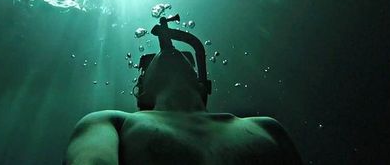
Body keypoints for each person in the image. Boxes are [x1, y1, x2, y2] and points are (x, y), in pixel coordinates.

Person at [64, 15, 302, 165]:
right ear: (141, 91)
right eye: (152, 61)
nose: (170, 52)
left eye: (188, 59)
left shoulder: (269, 128)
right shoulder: (110, 123)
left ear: (203, 83)